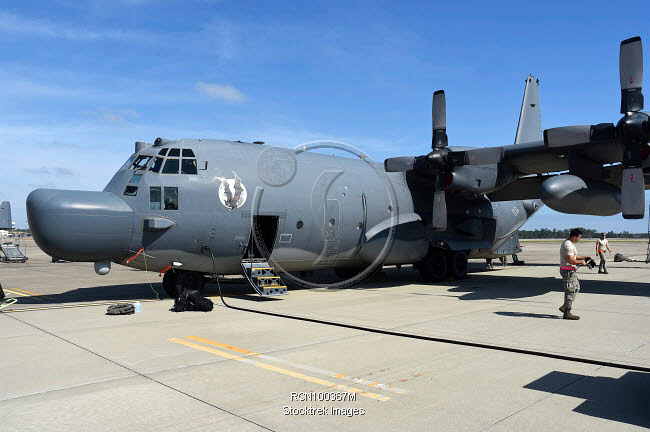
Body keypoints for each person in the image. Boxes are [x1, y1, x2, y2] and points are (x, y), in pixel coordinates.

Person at [559, 228, 591, 320]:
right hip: (567, 270)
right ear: (574, 237)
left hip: (570, 270)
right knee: (571, 291)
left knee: (576, 288)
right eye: (579, 238)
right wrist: (581, 262)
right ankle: (567, 312)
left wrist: (584, 257)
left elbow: (574, 256)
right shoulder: (567, 245)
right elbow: (570, 260)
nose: (579, 239)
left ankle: (565, 306)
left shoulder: (570, 244)